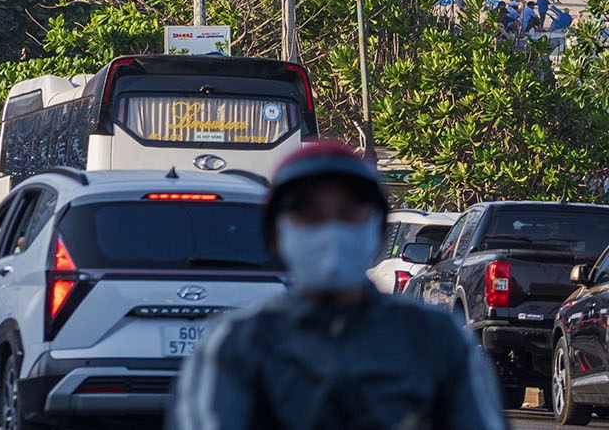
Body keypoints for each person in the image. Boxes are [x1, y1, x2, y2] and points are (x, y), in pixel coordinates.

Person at [170, 140, 505, 430]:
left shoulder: (438, 339)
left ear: (377, 231)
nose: (331, 231)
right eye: (310, 215)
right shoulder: (235, 344)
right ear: (276, 234)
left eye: (348, 213)